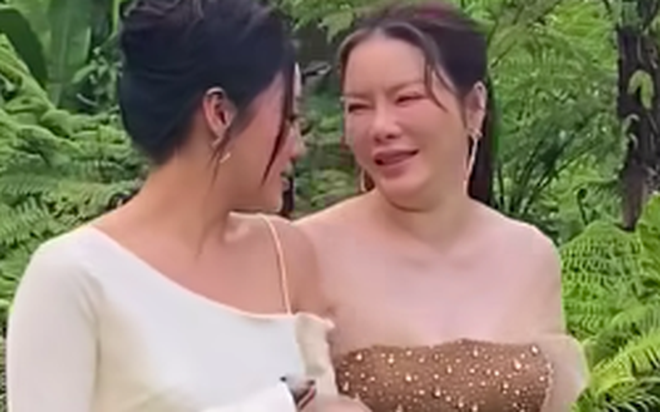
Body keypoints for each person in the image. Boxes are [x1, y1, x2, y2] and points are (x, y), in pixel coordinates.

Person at [5, 0, 359, 411]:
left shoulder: (286, 254)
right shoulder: (73, 276)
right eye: (290, 117)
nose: (298, 147)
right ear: (220, 113)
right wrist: (274, 403)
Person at [297, 2, 588, 412]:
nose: (381, 126)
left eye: (406, 98)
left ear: (474, 107)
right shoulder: (302, 253)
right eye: (358, 106)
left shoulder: (531, 255)